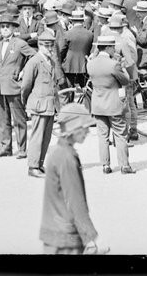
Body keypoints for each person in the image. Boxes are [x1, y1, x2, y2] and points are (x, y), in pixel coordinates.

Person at [39, 103, 104, 254]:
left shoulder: (57, 151)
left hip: (54, 231)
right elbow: (75, 201)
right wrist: (90, 239)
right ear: (73, 128)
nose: (87, 131)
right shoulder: (67, 157)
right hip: (66, 237)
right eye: (84, 127)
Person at [21, 25, 67, 177]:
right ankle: (32, 166)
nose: (50, 48)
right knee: (37, 136)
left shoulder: (51, 62)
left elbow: (54, 86)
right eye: (46, 45)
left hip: (50, 104)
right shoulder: (34, 62)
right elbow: (26, 85)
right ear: (39, 45)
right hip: (39, 104)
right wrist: (27, 102)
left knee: (46, 138)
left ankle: (39, 164)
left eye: (51, 45)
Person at [87, 32, 133, 174]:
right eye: (112, 47)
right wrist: (121, 65)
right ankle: (124, 165)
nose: (114, 50)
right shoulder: (114, 65)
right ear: (107, 48)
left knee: (103, 136)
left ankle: (105, 165)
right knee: (120, 135)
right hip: (114, 104)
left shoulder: (90, 64)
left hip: (98, 104)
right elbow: (125, 80)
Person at [0, 11, 29, 158]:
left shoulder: (20, 44)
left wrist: (24, 71)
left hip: (13, 85)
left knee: (18, 119)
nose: (5, 29)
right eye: (3, 27)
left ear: (13, 28)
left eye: (8, 27)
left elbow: (33, 57)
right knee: (2, 119)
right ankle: (6, 147)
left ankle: (22, 149)